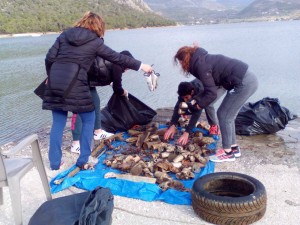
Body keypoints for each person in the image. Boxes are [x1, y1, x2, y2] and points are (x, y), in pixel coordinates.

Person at [42, 11, 153, 170]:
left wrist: (50, 75)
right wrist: (142, 66)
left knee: (58, 124)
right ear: (99, 27)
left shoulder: (64, 35)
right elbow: (117, 58)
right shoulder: (95, 42)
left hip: (55, 82)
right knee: (89, 118)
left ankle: (54, 163)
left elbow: (49, 58)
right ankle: (84, 159)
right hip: (75, 84)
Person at [172, 45, 258, 162]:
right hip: (244, 80)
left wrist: (198, 105)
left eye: (180, 62)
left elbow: (211, 93)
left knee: (223, 115)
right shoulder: (201, 60)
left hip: (244, 82)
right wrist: (197, 102)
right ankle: (233, 148)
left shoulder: (200, 66)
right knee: (229, 116)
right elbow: (211, 89)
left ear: (185, 59)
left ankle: (227, 152)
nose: (181, 65)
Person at [71, 50, 135, 154]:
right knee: (78, 110)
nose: (128, 69)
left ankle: (97, 132)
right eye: (128, 66)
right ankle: (75, 144)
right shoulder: (118, 66)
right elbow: (118, 89)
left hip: (87, 81)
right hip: (78, 80)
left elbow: (100, 71)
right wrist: (124, 92)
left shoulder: (114, 62)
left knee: (95, 101)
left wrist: (110, 82)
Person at [164, 79, 220, 146]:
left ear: (192, 92)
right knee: (182, 105)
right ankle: (185, 113)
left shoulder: (200, 92)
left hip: (217, 86)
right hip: (198, 88)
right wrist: (173, 124)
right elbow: (177, 107)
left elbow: (197, 113)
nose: (185, 99)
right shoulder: (185, 90)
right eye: (183, 97)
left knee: (208, 105)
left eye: (186, 97)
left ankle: (214, 126)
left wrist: (187, 132)